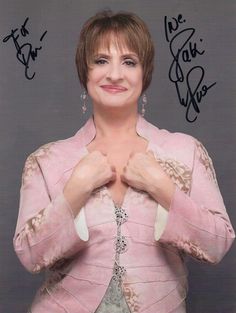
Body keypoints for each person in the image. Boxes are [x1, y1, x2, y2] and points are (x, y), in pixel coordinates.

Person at [13, 10, 235, 313]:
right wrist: (75, 190)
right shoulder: (46, 160)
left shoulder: (185, 151)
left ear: (145, 73)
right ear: (85, 72)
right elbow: (30, 255)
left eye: (129, 61)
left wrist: (163, 188)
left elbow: (218, 244)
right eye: (101, 60)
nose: (114, 74)